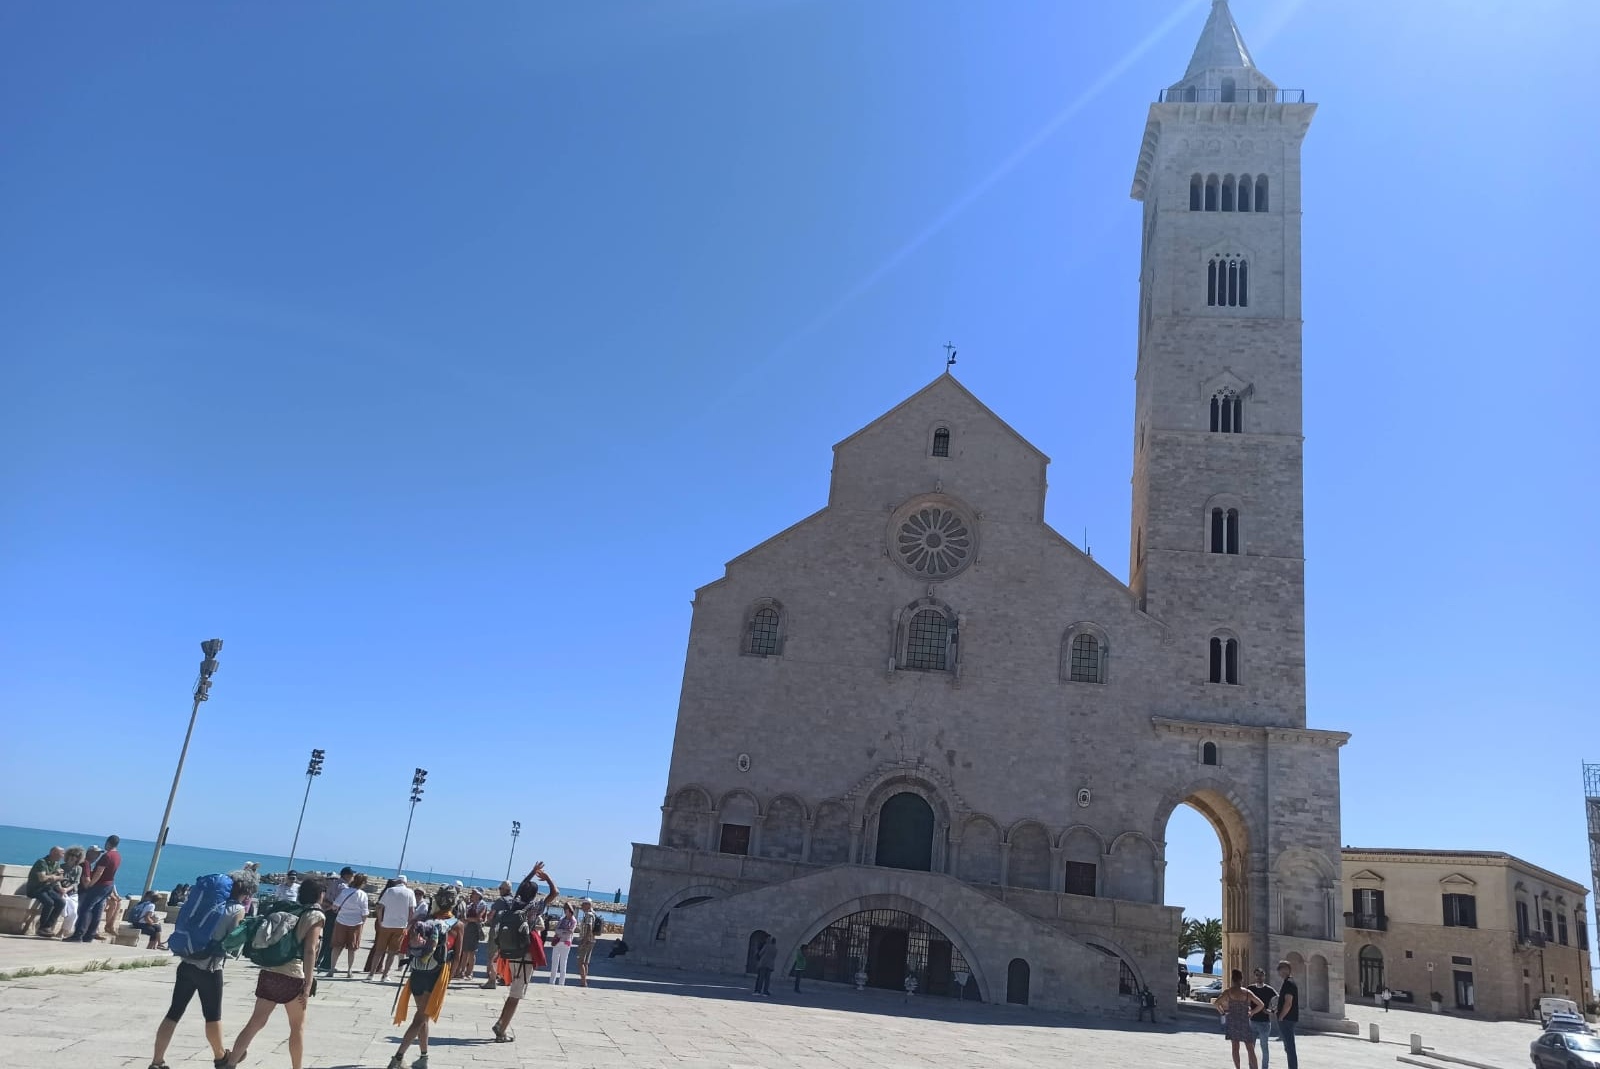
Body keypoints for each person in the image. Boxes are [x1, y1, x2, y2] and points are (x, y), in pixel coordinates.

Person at [150, 869, 258, 1069]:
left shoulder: (210, 904)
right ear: (247, 892)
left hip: (186, 964)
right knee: (212, 1015)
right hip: (210, 969)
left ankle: (157, 1061)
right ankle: (220, 1057)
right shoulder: (237, 910)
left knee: (173, 1013)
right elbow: (232, 944)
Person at [221, 877, 326, 1069]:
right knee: (297, 1027)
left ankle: (231, 1062)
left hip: (270, 971)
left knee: (255, 1022)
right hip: (293, 975)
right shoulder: (315, 916)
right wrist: (308, 984)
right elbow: (310, 950)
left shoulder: (289, 909)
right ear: (320, 895)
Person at [388, 885, 462, 1069]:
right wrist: (449, 980)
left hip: (417, 972)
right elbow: (457, 957)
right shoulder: (457, 925)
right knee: (420, 1018)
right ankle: (397, 1058)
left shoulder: (425, 920)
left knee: (423, 1016)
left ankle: (423, 1057)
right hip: (437, 975)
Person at [489, 863, 558, 1044]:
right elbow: (555, 893)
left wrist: (531, 873)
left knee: (513, 991)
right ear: (534, 894)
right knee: (516, 994)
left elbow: (520, 888)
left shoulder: (514, 903)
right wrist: (547, 878)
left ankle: (500, 1023)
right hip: (525, 955)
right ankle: (501, 1031)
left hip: (511, 952)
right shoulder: (535, 907)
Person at [71, 835, 121, 942]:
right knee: (97, 910)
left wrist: (91, 884)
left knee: (85, 908)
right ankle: (89, 935)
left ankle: (78, 934)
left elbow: (99, 872)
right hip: (108, 885)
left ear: (108, 842)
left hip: (100, 885)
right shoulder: (117, 856)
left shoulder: (107, 856)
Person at [1215, 969, 1267, 1069]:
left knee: (1235, 1048)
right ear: (1241, 979)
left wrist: (1223, 1013)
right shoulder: (1247, 993)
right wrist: (1252, 1012)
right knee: (1250, 1049)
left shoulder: (1228, 992)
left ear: (1232, 979)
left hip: (1233, 1022)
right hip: (1245, 1022)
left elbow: (1217, 1003)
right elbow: (1261, 1004)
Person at [368, 876, 415, 982]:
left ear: (397, 881)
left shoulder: (389, 890)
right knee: (392, 952)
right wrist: (408, 926)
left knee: (379, 951)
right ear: (405, 882)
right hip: (400, 926)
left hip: (386, 924)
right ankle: (385, 975)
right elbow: (412, 911)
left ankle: (371, 974)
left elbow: (380, 907)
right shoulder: (410, 892)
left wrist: (380, 920)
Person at [329, 872, 369, 978]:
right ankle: (349, 970)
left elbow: (335, 906)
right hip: (356, 923)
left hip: (341, 921)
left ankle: (332, 969)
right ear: (363, 883)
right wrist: (363, 923)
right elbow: (365, 912)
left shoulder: (345, 891)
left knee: (337, 946)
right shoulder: (363, 895)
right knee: (352, 948)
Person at [479, 881, 516, 990]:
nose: (499, 890)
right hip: (509, 932)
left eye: (500, 888)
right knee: (505, 956)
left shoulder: (500, 901)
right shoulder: (514, 901)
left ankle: (492, 980)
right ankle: (505, 977)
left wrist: (487, 921)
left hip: (497, 930)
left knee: (492, 956)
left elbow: (491, 915)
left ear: (505, 890)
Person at [25, 846, 67, 938]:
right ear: (54, 853)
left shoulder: (56, 863)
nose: (63, 856)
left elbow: (61, 877)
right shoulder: (41, 862)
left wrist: (54, 878)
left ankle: (48, 927)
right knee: (49, 902)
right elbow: (42, 878)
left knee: (61, 902)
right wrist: (55, 875)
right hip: (36, 889)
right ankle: (42, 928)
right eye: (62, 853)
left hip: (47, 888)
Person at [1246, 967, 1278, 1069]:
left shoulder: (1269, 990)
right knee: (1251, 1048)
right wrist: (1248, 1009)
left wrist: (1271, 1011)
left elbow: (1279, 1000)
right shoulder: (1250, 988)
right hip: (1252, 1022)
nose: (1259, 977)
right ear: (1254, 976)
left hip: (1264, 1023)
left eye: (1261, 975)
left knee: (1264, 1048)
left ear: (1264, 976)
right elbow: (1245, 1001)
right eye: (1257, 975)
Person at [455, 888, 489, 985]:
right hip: (467, 928)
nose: (472, 894)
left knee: (472, 952)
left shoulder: (482, 904)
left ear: (478, 895)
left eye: (474, 893)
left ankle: (469, 972)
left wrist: (467, 919)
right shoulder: (471, 904)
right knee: (465, 951)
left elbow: (478, 918)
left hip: (475, 929)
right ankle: (462, 971)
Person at [57, 846, 85, 940]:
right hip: (60, 891)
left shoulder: (79, 869)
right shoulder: (61, 867)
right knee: (64, 908)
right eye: (71, 855)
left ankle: (63, 931)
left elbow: (76, 882)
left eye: (76, 856)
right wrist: (61, 889)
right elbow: (57, 880)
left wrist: (67, 889)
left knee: (73, 913)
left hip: (72, 893)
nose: (73, 857)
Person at [1276, 960, 1300, 1069]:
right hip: (1288, 1018)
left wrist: (1281, 1016)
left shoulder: (1289, 983)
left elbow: (1288, 1003)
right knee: (1288, 1047)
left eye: (1280, 969)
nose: (1278, 972)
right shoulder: (1288, 982)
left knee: (1290, 1047)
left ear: (1286, 969)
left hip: (1287, 1019)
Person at [548, 900, 578, 985]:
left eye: (566, 909)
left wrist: (561, 931)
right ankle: (551, 981)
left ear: (570, 910)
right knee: (554, 962)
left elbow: (570, 931)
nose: (565, 911)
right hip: (557, 941)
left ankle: (561, 982)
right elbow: (556, 930)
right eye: (565, 909)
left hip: (566, 943)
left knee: (563, 963)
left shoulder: (573, 920)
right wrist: (564, 931)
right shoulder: (562, 919)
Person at [575, 898, 603, 987]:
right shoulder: (593, 914)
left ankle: (583, 982)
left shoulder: (589, 915)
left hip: (587, 941)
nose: (581, 906)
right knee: (585, 962)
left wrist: (584, 941)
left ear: (588, 905)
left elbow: (589, 928)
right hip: (591, 940)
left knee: (581, 962)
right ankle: (584, 981)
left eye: (583, 904)